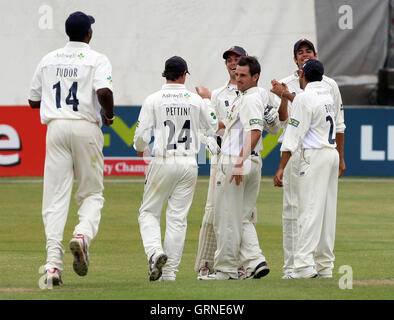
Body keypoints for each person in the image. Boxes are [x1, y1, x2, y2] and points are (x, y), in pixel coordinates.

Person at [28, 11, 114, 287]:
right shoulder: (97, 58)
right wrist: (109, 116)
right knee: (91, 193)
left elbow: (33, 100)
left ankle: (52, 266)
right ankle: (82, 236)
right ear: (88, 33)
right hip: (85, 127)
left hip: (56, 128)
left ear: (68, 32)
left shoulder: (48, 58)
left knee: (54, 199)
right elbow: (104, 92)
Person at [133, 56, 218, 281]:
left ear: (165, 73)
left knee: (149, 212)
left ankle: (154, 252)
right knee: (177, 219)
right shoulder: (194, 99)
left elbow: (141, 135)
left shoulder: (153, 99)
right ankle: (169, 273)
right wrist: (207, 100)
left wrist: (139, 147)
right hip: (189, 162)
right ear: (184, 74)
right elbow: (213, 124)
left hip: (163, 160)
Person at [270, 39, 346, 278]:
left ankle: (302, 265)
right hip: (328, 152)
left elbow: (292, 135)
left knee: (308, 210)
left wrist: (280, 167)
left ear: (304, 72)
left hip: (309, 155)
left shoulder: (311, 91)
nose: (304, 55)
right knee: (323, 210)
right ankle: (322, 266)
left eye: (308, 52)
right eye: (300, 53)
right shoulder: (325, 91)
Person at [203, 56, 280, 280]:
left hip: (236, 160)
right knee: (243, 218)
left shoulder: (249, 98)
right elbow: (273, 126)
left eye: (243, 75)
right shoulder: (254, 96)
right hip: (252, 161)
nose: (238, 79)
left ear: (256, 77)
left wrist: (238, 162)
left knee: (226, 218)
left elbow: (255, 131)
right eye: (237, 75)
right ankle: (256, 261)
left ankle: (226, 270)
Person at [194, 45, 254, 280]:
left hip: (245, 160)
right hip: (221, 160)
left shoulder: (253, 94)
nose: (232, 63)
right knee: (214, 212)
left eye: (237, 59)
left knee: (243, 215)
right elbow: (205, 127)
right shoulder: (217, 95)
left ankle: (240, 264)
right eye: (229, 59)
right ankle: (207, 264)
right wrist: (211, 147)